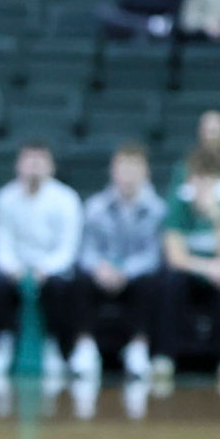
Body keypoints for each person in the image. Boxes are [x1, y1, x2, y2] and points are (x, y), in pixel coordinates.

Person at [0, 142, 84, 379]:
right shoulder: (4, 198)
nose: (34, 166)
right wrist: (14, 270)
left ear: (51, 167)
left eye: (40, 161)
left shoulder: (66, 199)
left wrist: (44, 269)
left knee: (63, 288)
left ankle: (54, 347)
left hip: (53, 269)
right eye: (29, 160)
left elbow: (68, 247)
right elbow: (1, 244)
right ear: (18, 165)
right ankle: (4, 344)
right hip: (15, 270)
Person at [68, 143, 165, 381]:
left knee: (152, 282)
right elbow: (86, 250)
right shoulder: (95, 207)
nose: (128, 175)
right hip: (102, 273)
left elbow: (153, 254)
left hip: (134, 276)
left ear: (146, 172)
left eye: (134, 168)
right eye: (123, 168)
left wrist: (125, 271)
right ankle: (85, 347)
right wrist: (100, 268)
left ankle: (138, 348)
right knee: (79, 280)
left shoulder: (157, 209)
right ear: (113, 171)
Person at [158, 148, 220, 379]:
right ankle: (166, 357)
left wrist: (217, 218)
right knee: (170, 280)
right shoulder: (179, 206)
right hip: (191, 273)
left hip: (218, 276)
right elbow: (175, 256)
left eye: (210, 179)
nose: (203, 185)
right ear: (189, 179)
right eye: (199, 178)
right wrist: (207, 267)